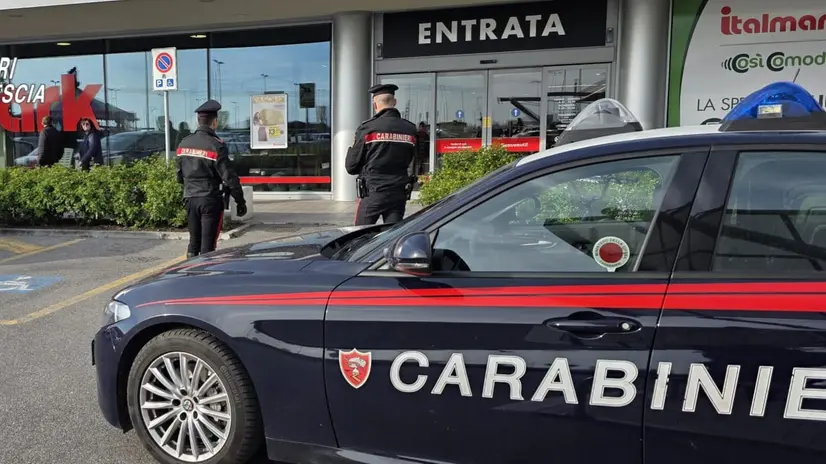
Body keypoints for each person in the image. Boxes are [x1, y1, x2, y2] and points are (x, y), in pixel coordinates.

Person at [176, 99, 247, 258]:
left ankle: (189, 270)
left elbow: (179, 175)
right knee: (208, 246)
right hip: (210, 199)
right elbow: (229, 178)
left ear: (198, 121)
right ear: (214, 122)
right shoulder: (216, 145)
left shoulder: (183, 143)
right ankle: (205, 272)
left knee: (194, 243)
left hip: (190, 198)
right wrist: (240, 201)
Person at [345, 83, 418, 226]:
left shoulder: (367, 128)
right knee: (393, 233)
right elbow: (416, 158)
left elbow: (351, 166)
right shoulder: (410, 129)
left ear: (375, 105)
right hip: (399, 192)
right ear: (394, 102)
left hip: (373, 191)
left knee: (360, 234)